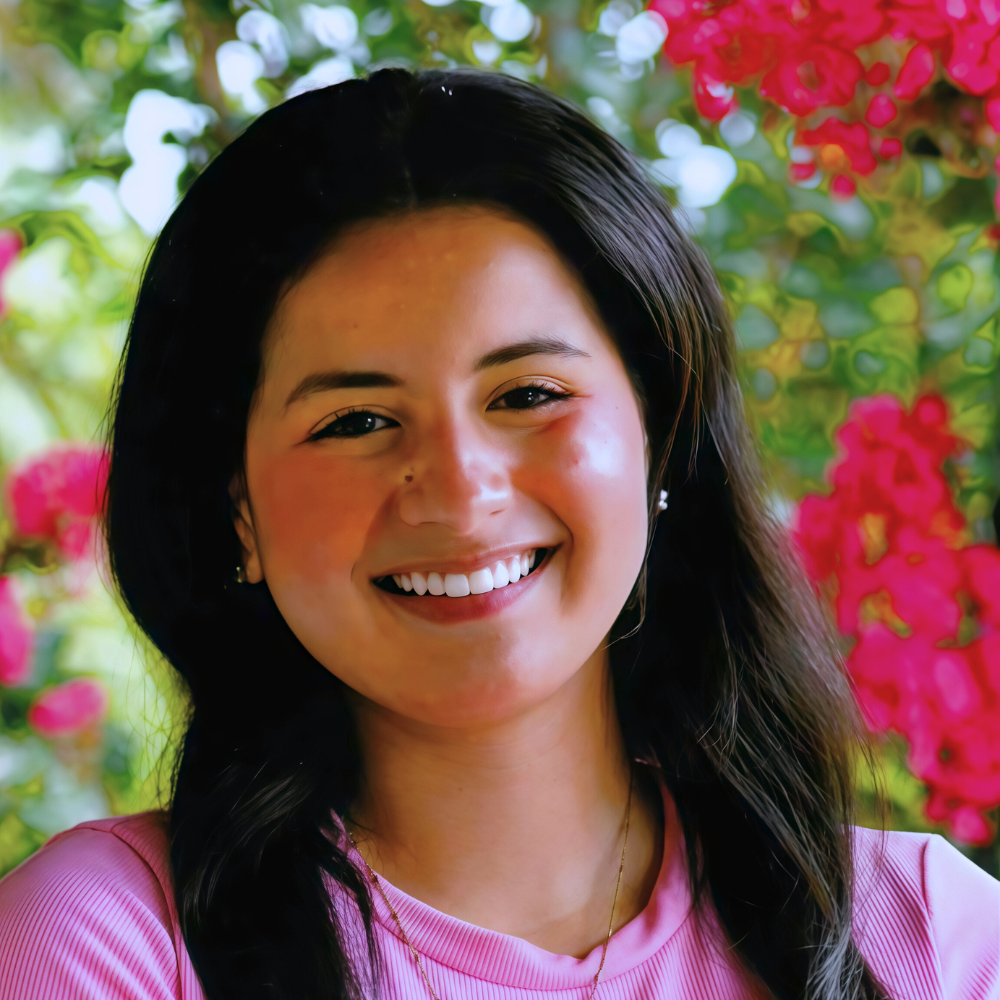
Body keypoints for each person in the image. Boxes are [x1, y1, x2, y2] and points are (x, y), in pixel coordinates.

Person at [0, 68, 996, 1000]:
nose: (458, 493)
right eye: (357, 420)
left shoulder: (931, 939)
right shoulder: (106, 945)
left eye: (526, 395)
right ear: (237, 512)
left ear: (659, 441)